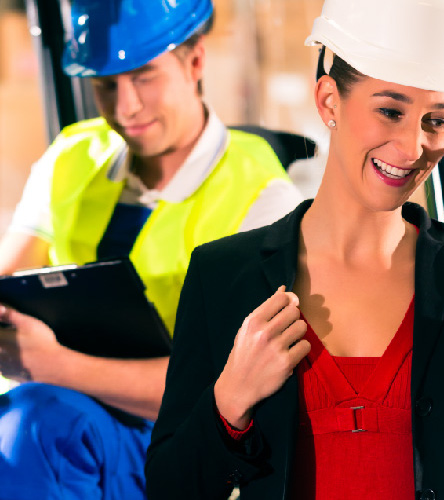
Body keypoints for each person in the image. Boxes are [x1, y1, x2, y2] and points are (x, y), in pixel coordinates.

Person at [145, 0, 444, 499]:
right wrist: (229, 402)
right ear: (329, 101)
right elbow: (170, 488)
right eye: (390, 111)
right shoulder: (224, 276)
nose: (411, 147)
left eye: (436, 121)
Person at [0, 0, 307, 498]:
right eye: (106, 85)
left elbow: (229, 388)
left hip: (170, 444)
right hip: (65, 418)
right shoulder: (72, 157)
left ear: (196, 62)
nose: (125, 108)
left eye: (143, 77)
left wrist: (53, 366)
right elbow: (11, 273)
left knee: (36, 425)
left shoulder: (263, 202)